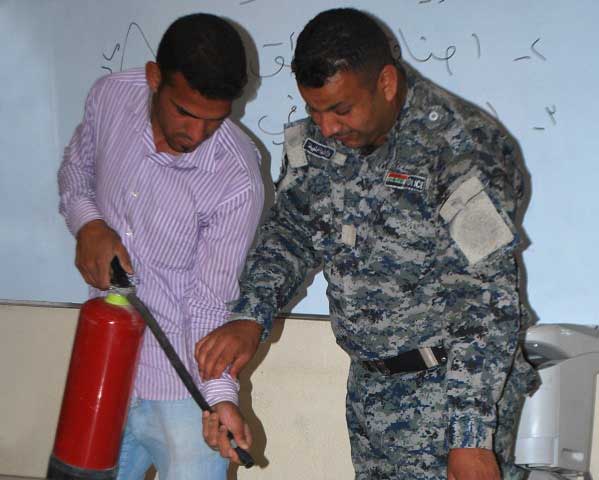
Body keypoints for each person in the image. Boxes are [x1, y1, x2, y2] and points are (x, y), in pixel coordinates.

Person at [196, 7, 539, 480]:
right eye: (314, 110)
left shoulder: (459, 147)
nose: (327, 127)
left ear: (386, 83)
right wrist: (251, 315)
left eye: (340, 110)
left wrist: (470, 437)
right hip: (370, 391)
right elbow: (292, 230)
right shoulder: (316, 143)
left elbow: (486, 294)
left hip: (451, 392)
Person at [58, 13, 264, 479]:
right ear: (155, 78)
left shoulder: (236, 177)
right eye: (185, 113)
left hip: (180, 390)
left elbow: (209, 303)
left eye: (214, 121)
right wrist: (88, 223)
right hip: (101, 365)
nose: (196, 135)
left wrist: (220, 399)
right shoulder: (110, 97)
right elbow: (76, 172)